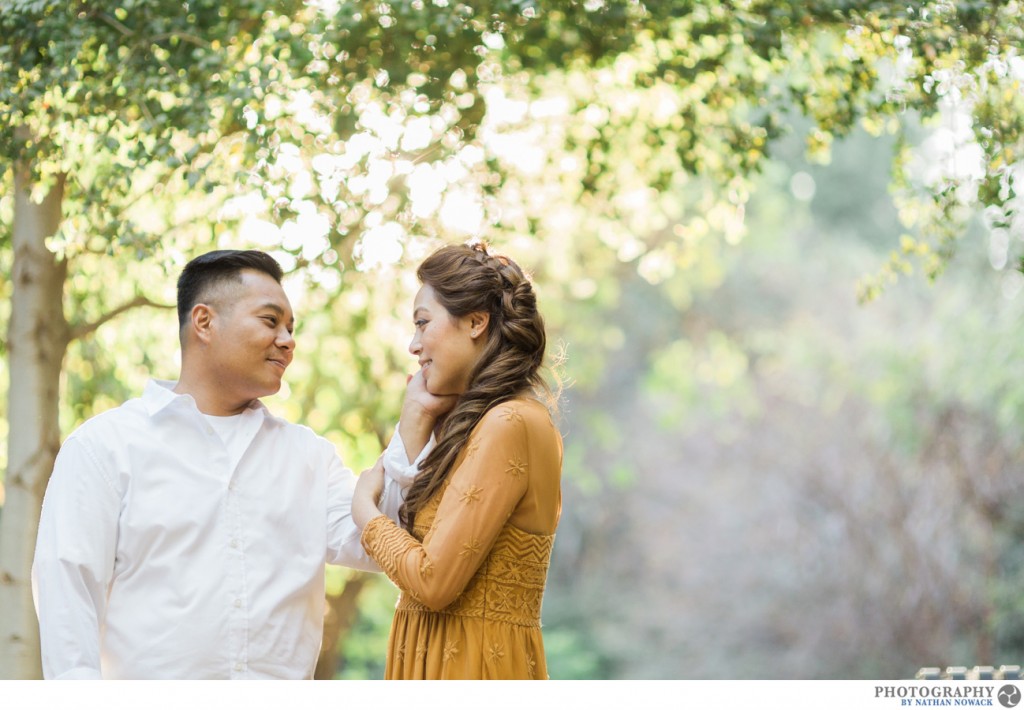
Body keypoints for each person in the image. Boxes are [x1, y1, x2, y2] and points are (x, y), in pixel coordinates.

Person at [31, 249, 409, 680]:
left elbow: (384, 539)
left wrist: (417, 422)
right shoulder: (105, 447)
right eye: (271, 321)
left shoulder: (309, 458)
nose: (288, 340)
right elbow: (68, 600)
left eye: (291, 328)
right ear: (204, 322)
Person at [352, 242, 563, 680]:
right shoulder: (476, 425)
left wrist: (366, 516)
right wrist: (417, 417)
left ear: (475, 321)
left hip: (474, 667)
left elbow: (432, 581)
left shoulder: (510, 422)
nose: (413, 345)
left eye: (423, 323)